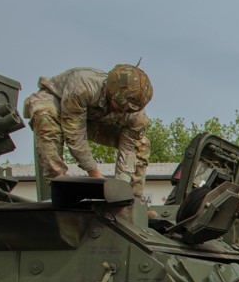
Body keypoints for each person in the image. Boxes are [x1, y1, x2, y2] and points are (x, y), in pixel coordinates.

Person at [23, 64, 153, 198]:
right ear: (111, 91)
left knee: (141, 143)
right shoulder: (83, 86)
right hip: (58, 103)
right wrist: (94, 173)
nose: (124, 112)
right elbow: (74, 133)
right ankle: (61, 189)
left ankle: (133, 202)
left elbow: (129, 148)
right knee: (45, 117)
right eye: (121, 107)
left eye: (129, 110)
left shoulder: (136, 115)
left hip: (94, 119)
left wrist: (120, 186)